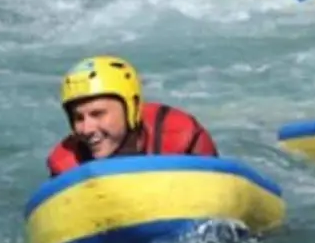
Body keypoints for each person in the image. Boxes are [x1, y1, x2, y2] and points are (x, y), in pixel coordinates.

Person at [47, 56, 218, 177]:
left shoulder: (181, 136)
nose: (87, 129)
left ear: (132, 107)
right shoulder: (66, 164)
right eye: (78, 118)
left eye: (97, 114)